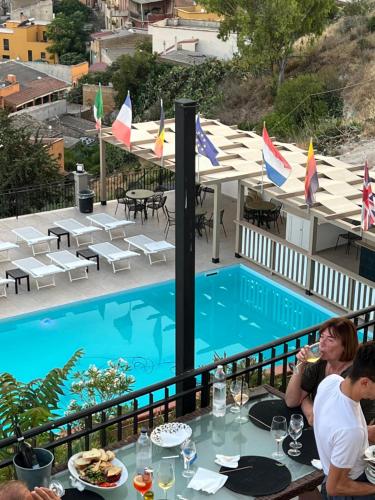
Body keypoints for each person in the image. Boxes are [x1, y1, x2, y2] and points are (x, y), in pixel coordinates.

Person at [313, 341, 375, 499]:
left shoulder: (331, 382)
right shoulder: (351, 431)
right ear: (365, 382)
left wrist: (367, 433)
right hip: (350, 487)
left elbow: (335, 433)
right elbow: (335, 488)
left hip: (334, 468)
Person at [285, 317, 362, 426]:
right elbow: (291, 401)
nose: (322, 343)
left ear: (345, 346)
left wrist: (304, 402)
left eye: (330, 340)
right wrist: (300, 364)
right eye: (321, 337)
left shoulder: (353, 377)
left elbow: (320, 421)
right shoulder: (320, 363)